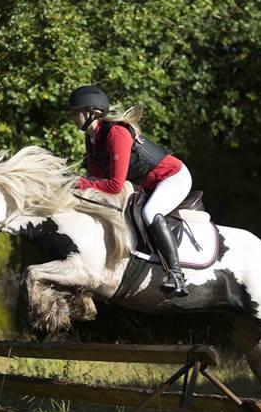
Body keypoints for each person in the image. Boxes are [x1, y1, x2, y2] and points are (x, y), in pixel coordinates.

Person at [68, 85, 191, 296]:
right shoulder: (92, 138)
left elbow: (115, 185)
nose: (72, 116)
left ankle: (176, 274)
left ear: (91, 112)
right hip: (148, 184)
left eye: (75, 111)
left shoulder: (117, 133)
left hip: (172, 177)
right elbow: (95, 179)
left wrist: (78, 183)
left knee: (149, 213)